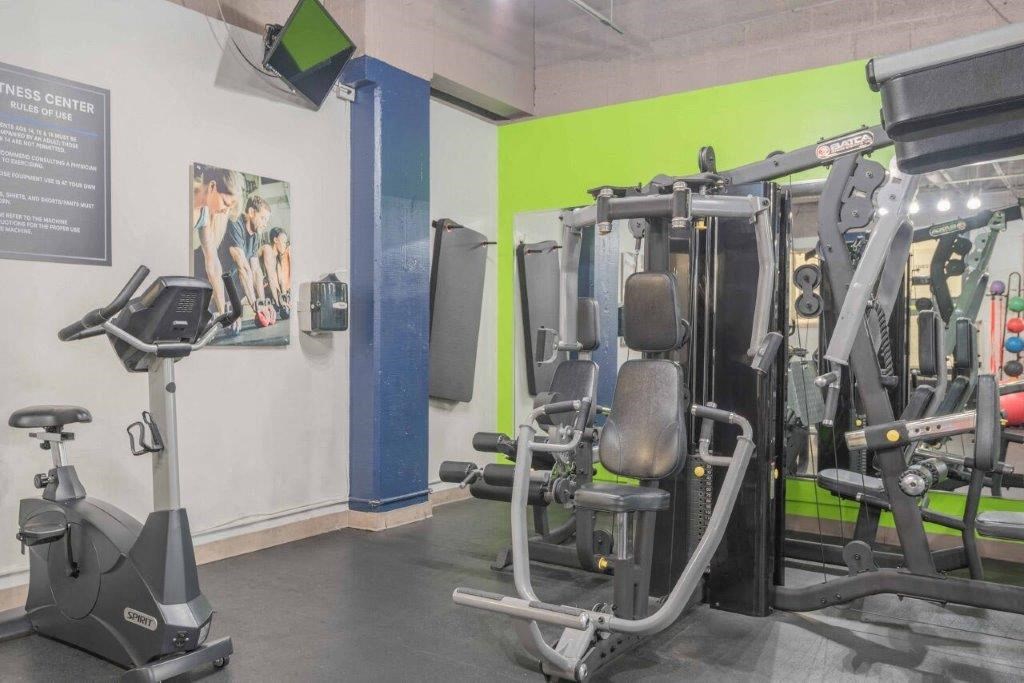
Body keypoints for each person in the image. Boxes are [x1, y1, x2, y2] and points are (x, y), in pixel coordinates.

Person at [192, 165, 243, 319]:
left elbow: (213, 263)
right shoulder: (185, 198)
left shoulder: (204, 214)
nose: (226, 211)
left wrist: (223, 314)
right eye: (226, 203)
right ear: (212, 186)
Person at [259, 227, 291, 317]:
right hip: (247, 282)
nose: (285, 245)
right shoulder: (267, 249)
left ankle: (278, 303)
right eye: (284, 242)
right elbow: (271, 278)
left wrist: (284, 299)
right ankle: (275, 304)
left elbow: (281, 281)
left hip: (262, 284)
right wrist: (278, 302)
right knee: (269, 282)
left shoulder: (276, 258)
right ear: (275, 240)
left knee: (278, 284)